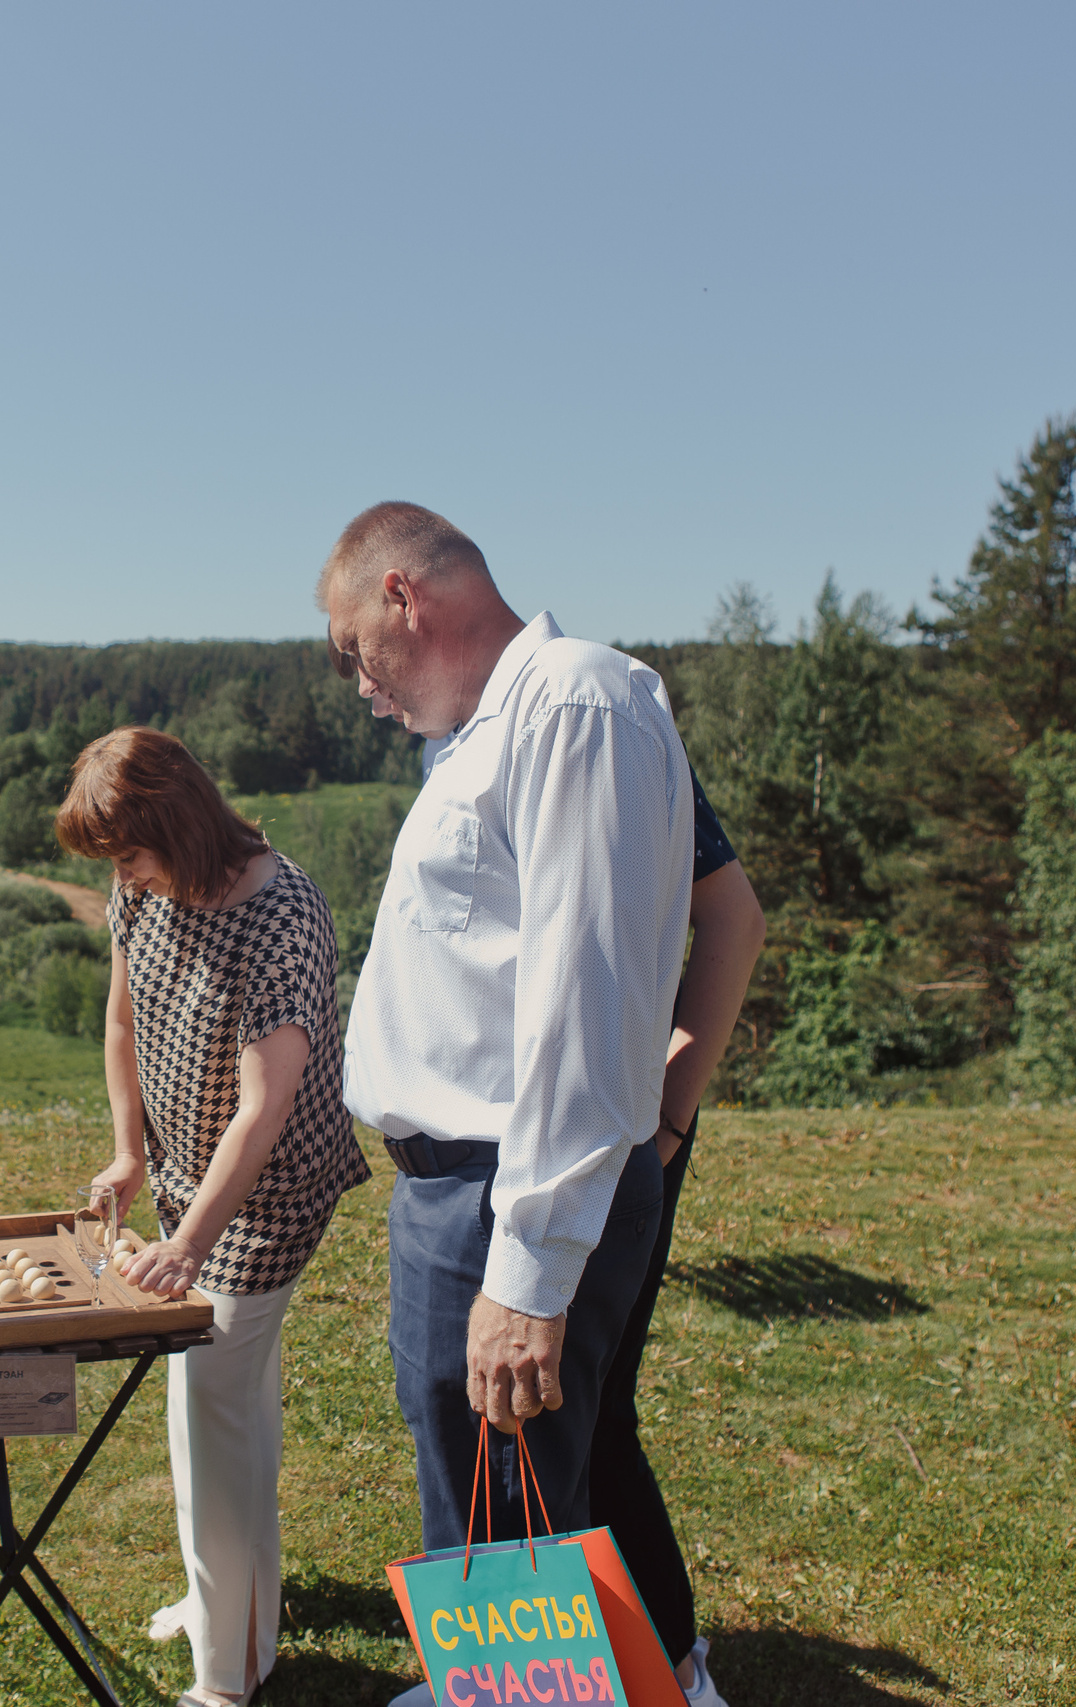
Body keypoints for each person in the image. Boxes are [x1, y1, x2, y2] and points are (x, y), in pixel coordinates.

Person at [316, 502, 693, 1707]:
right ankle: (498, 1693)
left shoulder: (573, 703)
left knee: (512, 1519)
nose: (356, 683)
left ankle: (528, 1700)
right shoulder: (485, 735)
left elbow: (587, 998)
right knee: (485, 1512)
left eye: (348, 646)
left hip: (505, 1188)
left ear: (400, 597)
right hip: (460, 1188)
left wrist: (526, 1274)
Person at [57, 727, 372, 1707]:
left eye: (131, 857)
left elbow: (263, 1111)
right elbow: (122, 1020)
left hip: (267, 1191)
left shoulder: (280, 913)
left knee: (212, 1404)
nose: (125, 880)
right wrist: (128, 1153)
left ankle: (226, 1680)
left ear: (178, 826)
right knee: (219, 1411)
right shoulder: (140, 887)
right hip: (186, 1174)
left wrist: (190, 1245)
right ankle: (229, 1607)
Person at [586, 781, 765, 1706]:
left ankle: (671, 1671)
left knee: (592, 1402)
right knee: (561, 1408)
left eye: (355, 642)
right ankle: (584, 1663)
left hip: (616, 1133)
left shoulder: (604, 727)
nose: (361, 680)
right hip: (553, 1137)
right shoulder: (452, 737)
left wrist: (671, 1110)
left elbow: (734, 917)